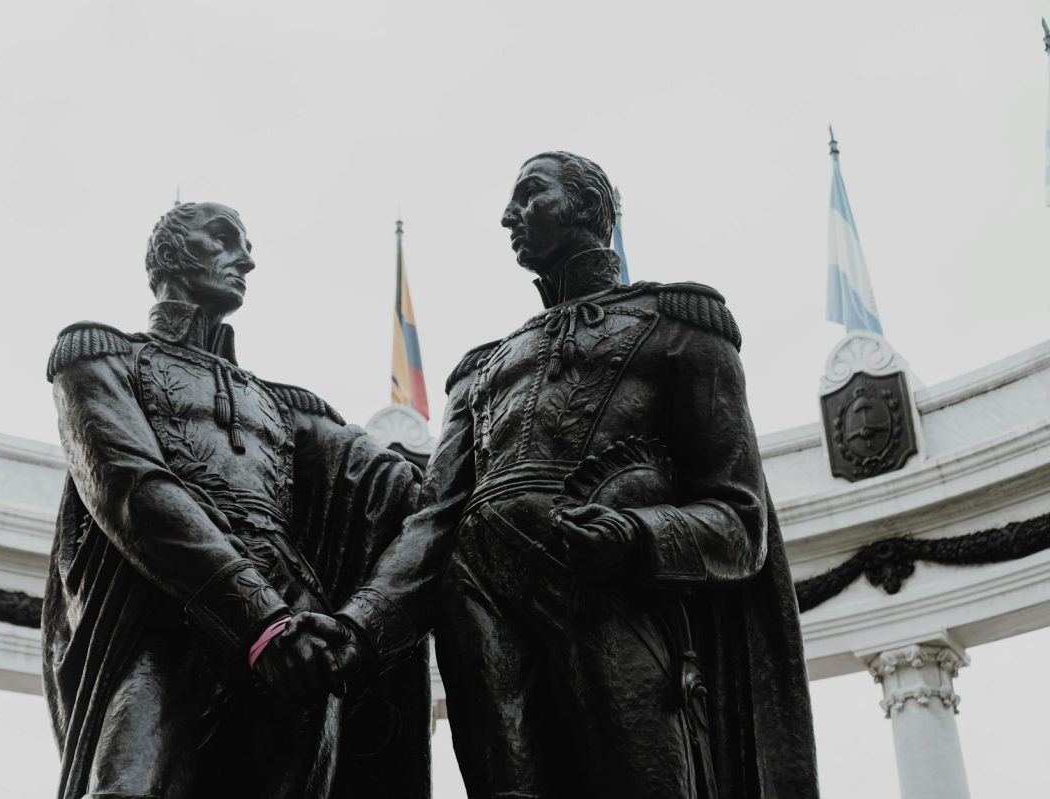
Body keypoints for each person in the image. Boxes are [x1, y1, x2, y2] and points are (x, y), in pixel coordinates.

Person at [296, 153, 819, 797]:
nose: (508, 215)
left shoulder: (681, 325)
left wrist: (636, 535)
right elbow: (432, 520)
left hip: (608, 592)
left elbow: (740, 522)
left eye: (529, 195)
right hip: (479, 601)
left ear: (588, 205)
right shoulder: (481, 370)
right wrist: (359, 626)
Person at [42, 202, 429, 799]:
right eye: (221, 239)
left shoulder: (288, 405)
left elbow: (399, 492)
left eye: (244, 245)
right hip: (160, 609)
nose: (244, 259)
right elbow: (130, 486)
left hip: (292, 614)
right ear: (167, 254)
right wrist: (260, 618)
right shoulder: (98, 353)